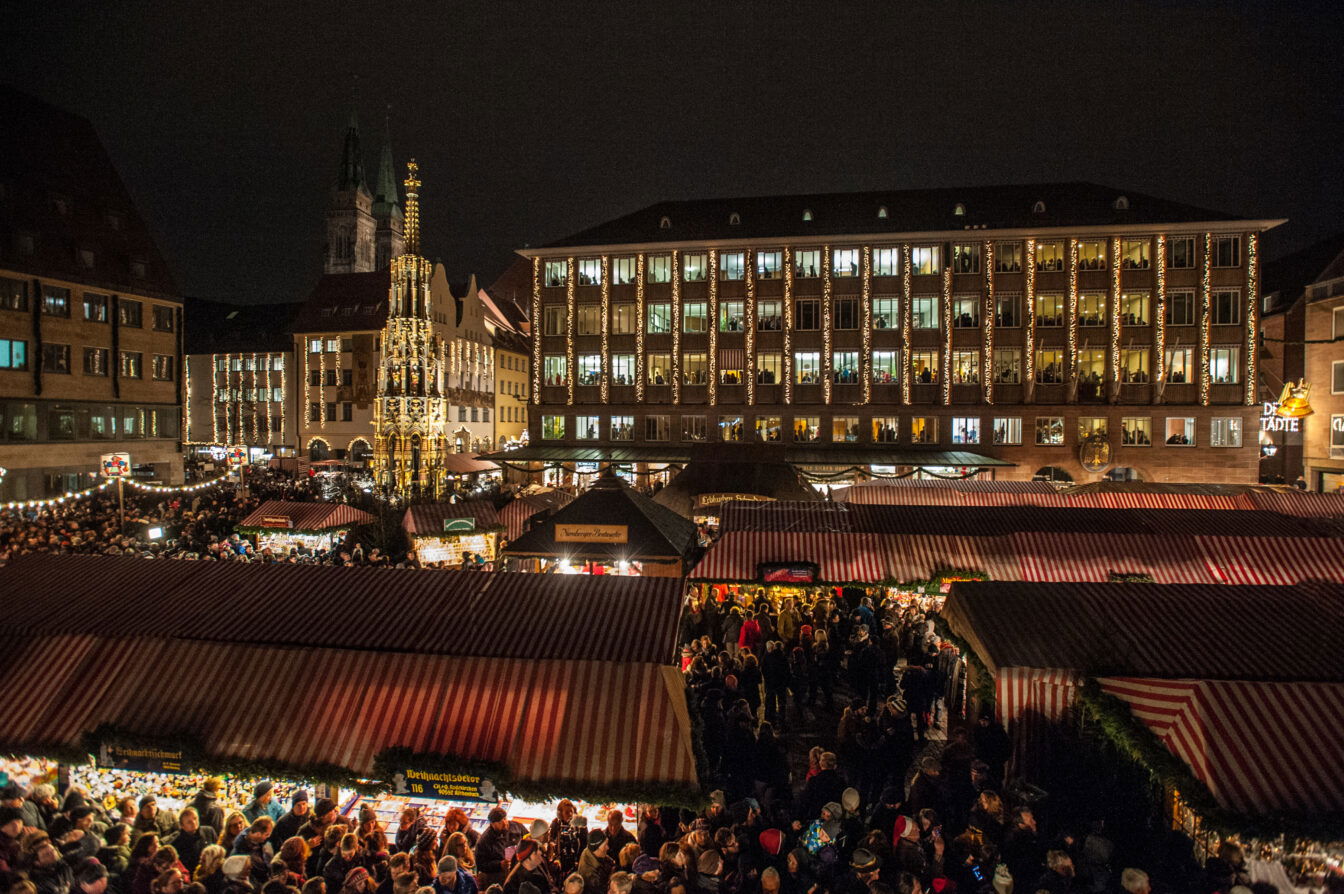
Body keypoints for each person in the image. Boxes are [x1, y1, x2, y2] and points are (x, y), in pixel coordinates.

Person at [168, 810, 216, 876]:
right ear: (182, 825)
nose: (194, 822)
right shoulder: (176, 844)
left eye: (195, 818)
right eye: (189, 822)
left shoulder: (209, 831)